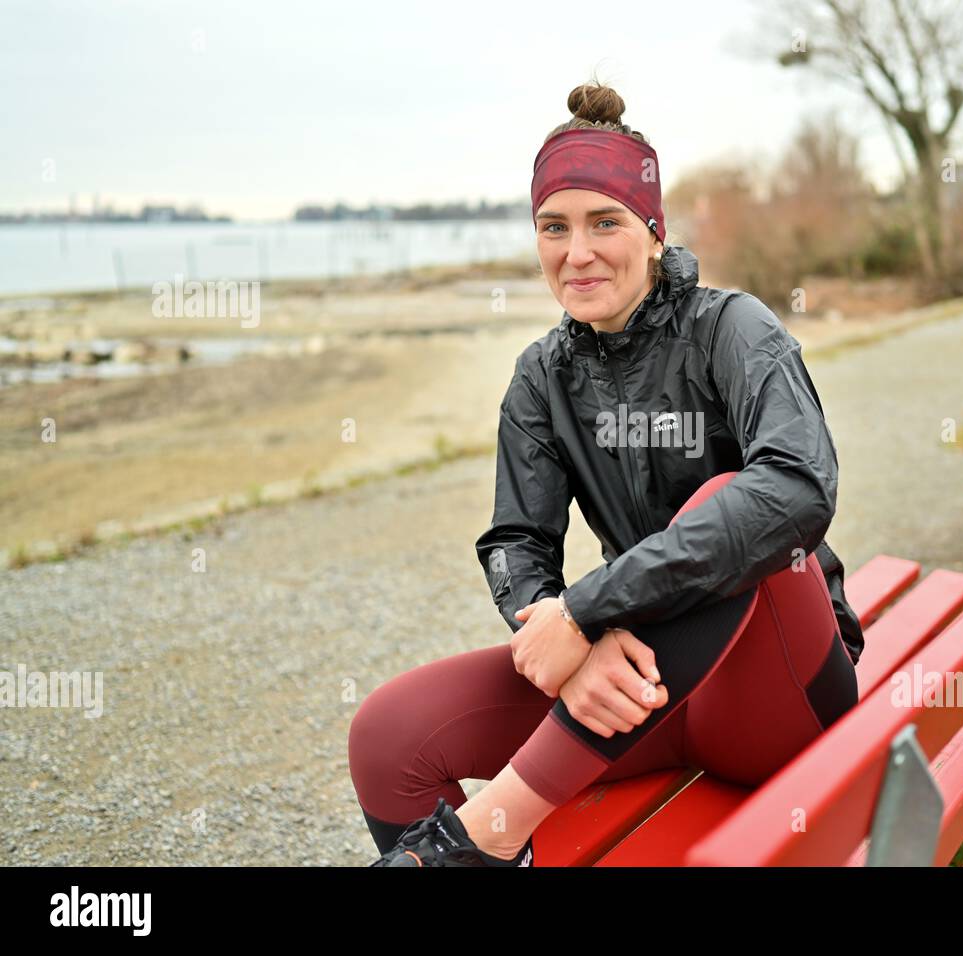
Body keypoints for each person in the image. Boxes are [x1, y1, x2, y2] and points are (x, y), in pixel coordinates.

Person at [347, 80, 866, 867]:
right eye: (553, 227)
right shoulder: (540, 378)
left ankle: (484, 838)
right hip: (645, 690)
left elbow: (797, 487)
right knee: (388, 734)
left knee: (727, 503)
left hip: (777, 696)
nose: (576, 252)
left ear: (654, 233)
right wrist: (556, 628)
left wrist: (589, 610)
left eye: (604, 223)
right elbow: (515, 542)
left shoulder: (734, 329)